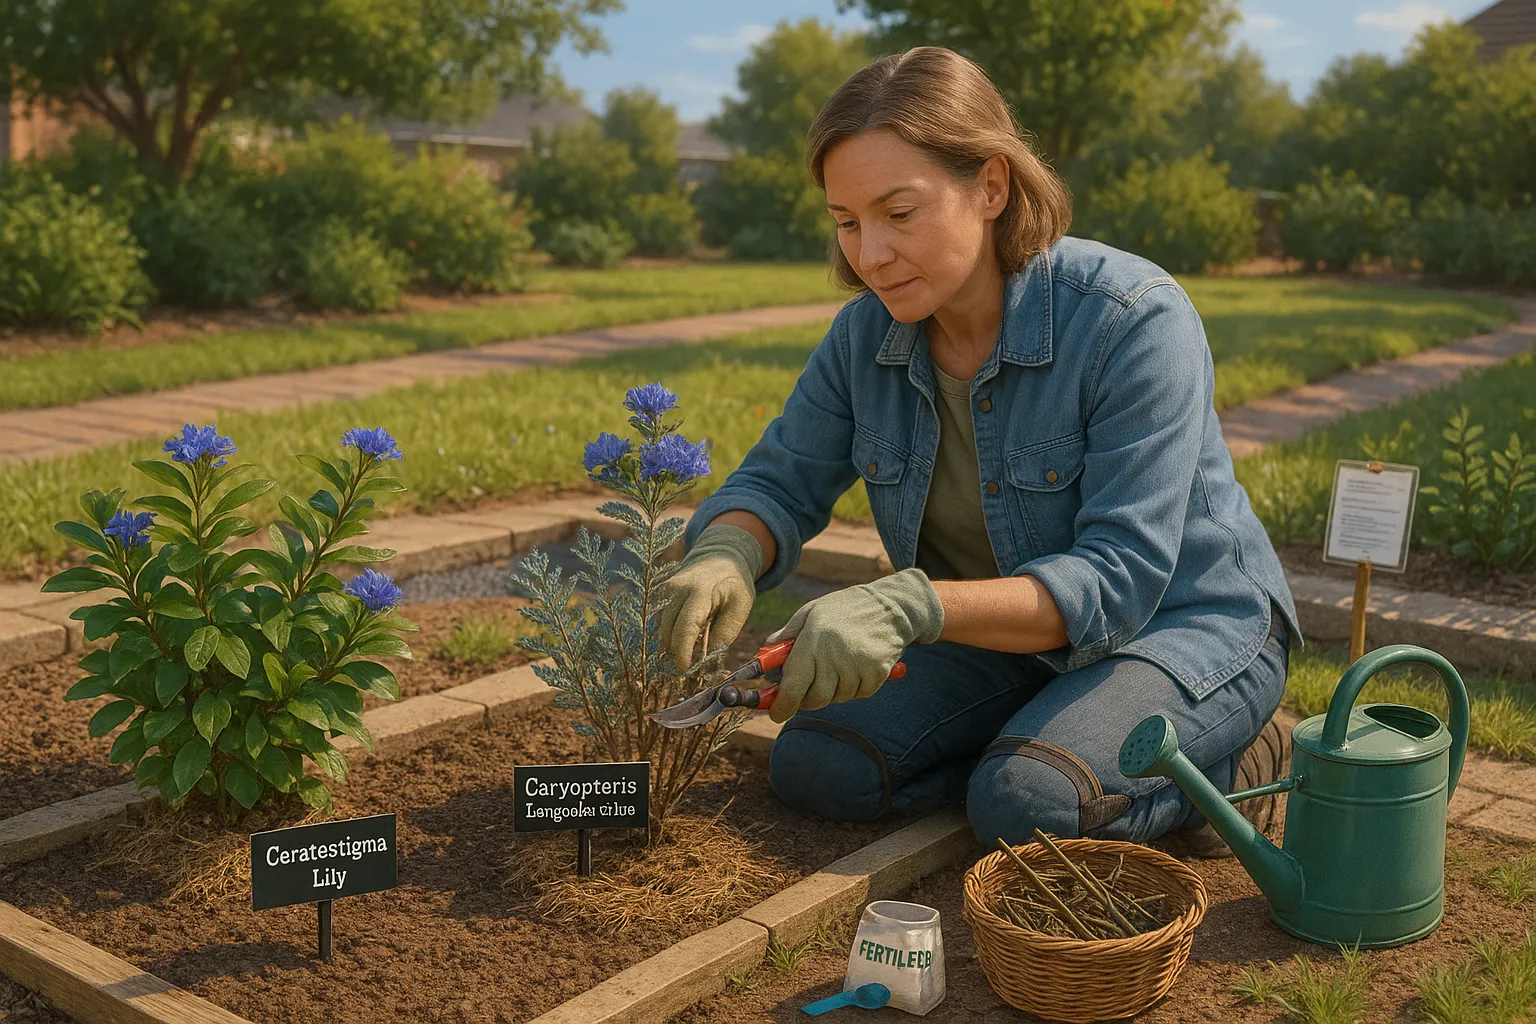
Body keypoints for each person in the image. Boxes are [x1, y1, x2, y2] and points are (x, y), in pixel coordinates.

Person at [656, 45, 1302, 856]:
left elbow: (1119, 580)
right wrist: (723, 551)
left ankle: (1237, 760)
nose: (870, 255)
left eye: (899, 213)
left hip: (1185, 629)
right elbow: (781, 481)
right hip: (1000, 640)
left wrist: (911, 606)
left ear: (991, 186)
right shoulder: (866, 338)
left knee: (1028, 805)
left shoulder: (1133, 320)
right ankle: (1041, 743)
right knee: (820, 764)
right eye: (847, 223)